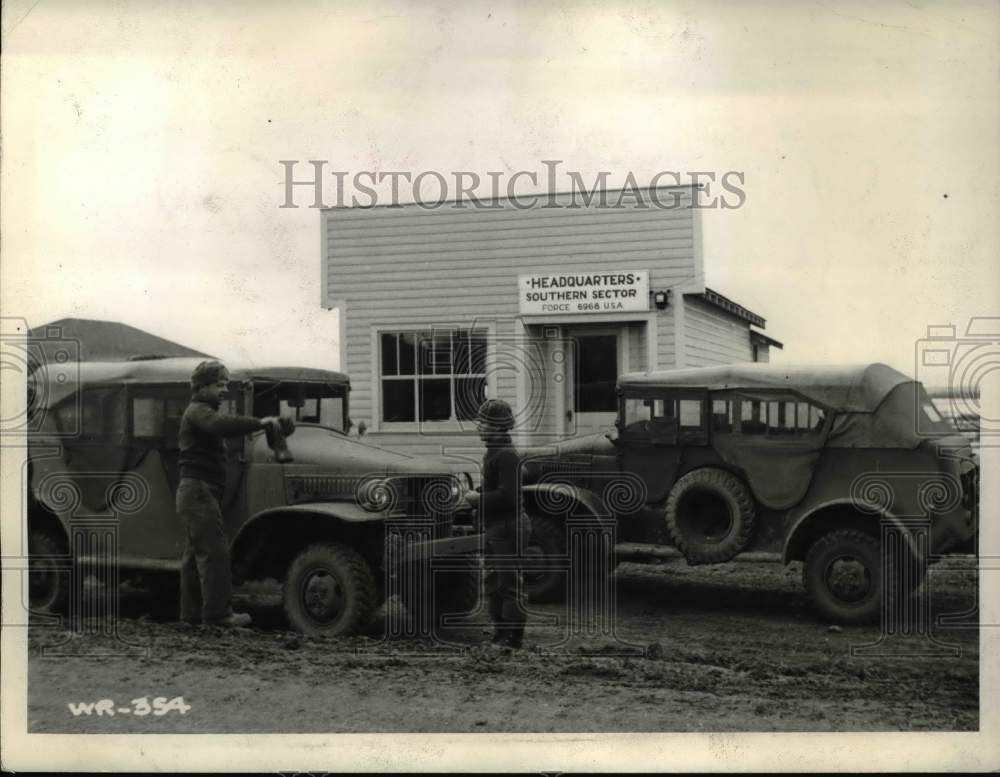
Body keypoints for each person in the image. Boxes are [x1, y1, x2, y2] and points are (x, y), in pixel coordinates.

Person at [176, 360, 283, 627]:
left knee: (195, 556)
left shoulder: (200, 411)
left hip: (196, 492)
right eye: (219, 385)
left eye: (225, 384)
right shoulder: (199, 411)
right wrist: (260, 422)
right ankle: (218, 616)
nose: (224, 390)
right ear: (201, 388)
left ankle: (191, 615)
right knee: (216, 553)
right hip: (199, 491)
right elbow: (219, 425)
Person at [471, 398, 530, 648]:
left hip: (508, 526)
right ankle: (501, 632)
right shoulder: (495, 452)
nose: (478, 427)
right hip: (499, 526)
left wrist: (477, 499)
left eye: (482, 422)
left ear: (496, 426)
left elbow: (507, 496)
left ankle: (512, 637)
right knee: (494, 582)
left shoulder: (506, 455)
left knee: (507, 583)